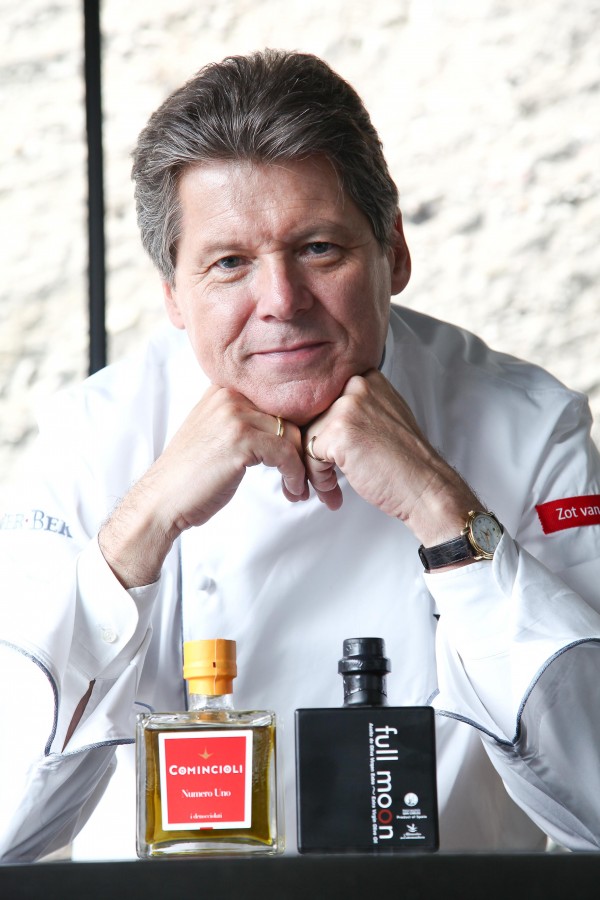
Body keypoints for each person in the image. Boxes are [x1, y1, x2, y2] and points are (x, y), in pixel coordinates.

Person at [1, 49, 599, 862]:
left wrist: (445, 512)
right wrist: (141, 528)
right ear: (173, 293)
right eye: (229, 263)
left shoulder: (529, 427)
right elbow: (9, 827)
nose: (281, 302)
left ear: (394, 251)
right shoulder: (91, 438)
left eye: (319, 248)